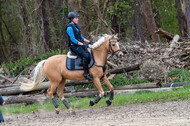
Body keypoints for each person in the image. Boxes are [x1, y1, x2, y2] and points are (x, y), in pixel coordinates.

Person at [66, 11, 93, 81]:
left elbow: (81, 37)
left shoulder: (76, 26)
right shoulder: (69, 28)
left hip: (79, 45)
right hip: (74, 46)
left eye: (77, 18)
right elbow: (73, 39)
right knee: (86, 56)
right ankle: (86, 74)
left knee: (90, 54)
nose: (77, 19)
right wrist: (82, 44)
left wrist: (89, 42)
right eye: (76, 18)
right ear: (72, 19)